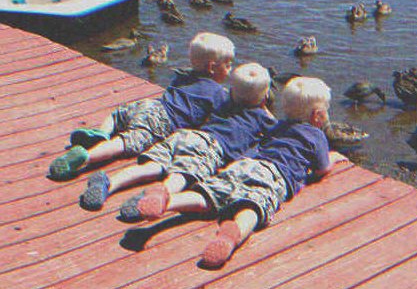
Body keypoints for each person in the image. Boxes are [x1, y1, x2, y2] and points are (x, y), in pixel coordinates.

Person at [133, 77, 346, 268]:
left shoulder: (277, 127)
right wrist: (333, 158)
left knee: (209, 194)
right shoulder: (316, 136)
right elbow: (321, 169)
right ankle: (232, 235)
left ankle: (167, 200)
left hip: (245, 164)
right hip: (273, 175)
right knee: (253, 205)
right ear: (317, 116)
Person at [79, 63, 277, 214]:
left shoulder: (223, 102)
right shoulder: (262, 119)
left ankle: (110, 182)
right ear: (264, 97)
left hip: (185, 136)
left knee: (152, 166)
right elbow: (275, 132)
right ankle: (158, 196)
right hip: (209, 147)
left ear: (232, 91)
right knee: (181, 175)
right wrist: (264, 108)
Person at [49, 32, 235, 181]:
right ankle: (87, 156)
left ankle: (103, 132)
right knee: (126, 142)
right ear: (212, 67)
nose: (230, 69)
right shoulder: (217, 93)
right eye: (228, 65)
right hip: (163, 122)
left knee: (119, 114)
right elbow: (220, 119)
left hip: (151, 105)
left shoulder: (182, 76)